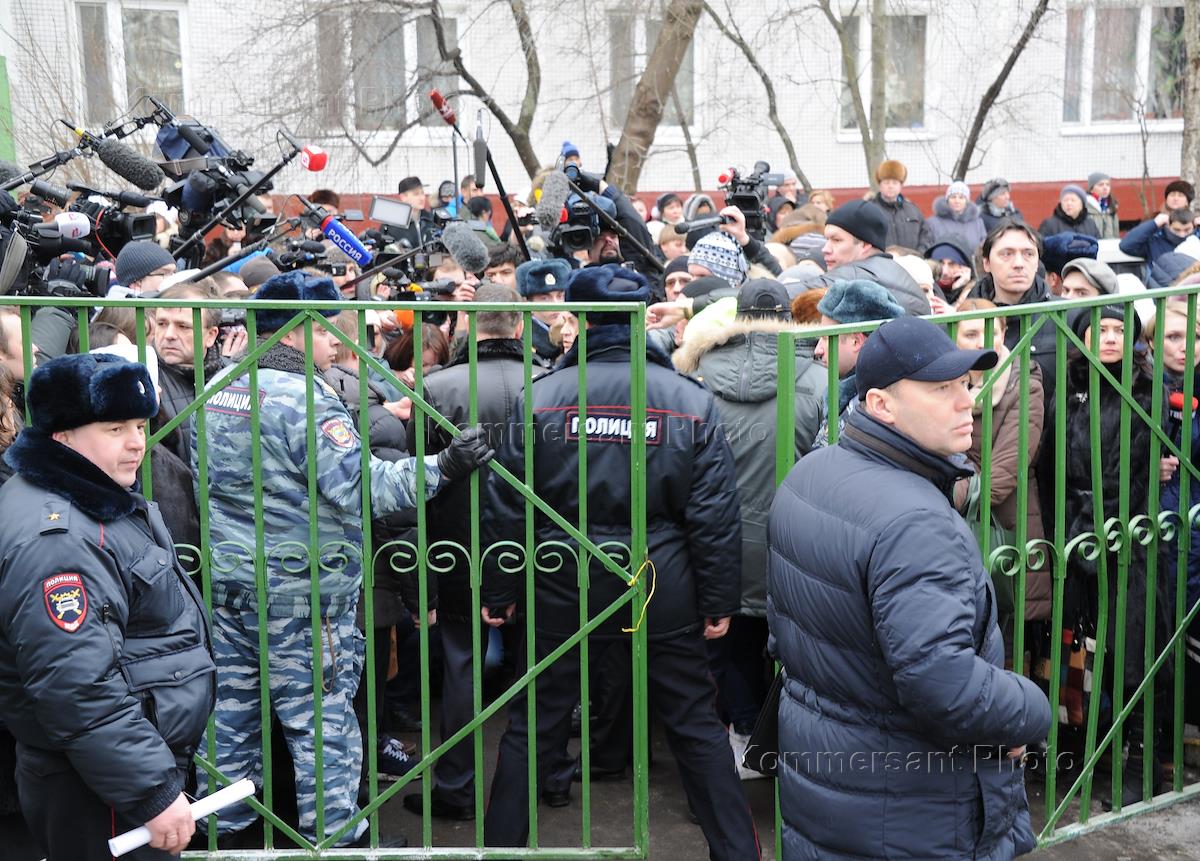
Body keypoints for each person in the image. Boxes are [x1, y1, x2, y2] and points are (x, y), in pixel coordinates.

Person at [195, 271, 493, 848]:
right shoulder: (303, 397)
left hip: (231, 583)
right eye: (327, 328)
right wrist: (445, 466)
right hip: (303, 595)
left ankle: (224, 837)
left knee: (230, 719)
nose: (337, 341)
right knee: (322, 726)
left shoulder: (221, 384)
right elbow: (363, 487)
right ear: (295, 331)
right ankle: (337, 839)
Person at [481, 264, 760, 859]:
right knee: (695, 724)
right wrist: (718, 600)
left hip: (564, 578)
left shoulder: (543, 396)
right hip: (658, 580)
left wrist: (500, 590)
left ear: (579, 322)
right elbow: (713, 513)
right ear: (642, 321)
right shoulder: (688, 400)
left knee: (535, 724)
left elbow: (505, 502)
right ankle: (737, 852)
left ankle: (502, 849)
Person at [767, 315, 1052, 860]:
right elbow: (944, 685)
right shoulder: (916, 521)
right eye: (941, 389)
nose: (966, 402)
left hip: (827, 785)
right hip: (911, 807)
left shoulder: (811, 474)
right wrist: (1029, 709)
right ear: (881, 404)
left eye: (965, 384)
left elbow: (786, 634)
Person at [0, 353, 216, 860]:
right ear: (63, 436)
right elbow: (77, 686)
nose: (137, 442)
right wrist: (150, 792)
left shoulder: (87, 499)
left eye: (140, 425)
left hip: (107, 770)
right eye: (115, 428)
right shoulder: (62, 538)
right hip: (100, 787)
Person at [672, 279, 827, 777]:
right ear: (789, 319)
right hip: (792, 543)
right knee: (790, 653)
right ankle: (781, 745)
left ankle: (735, 736)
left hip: (711, 544)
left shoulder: (693, 380)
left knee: (720, 648)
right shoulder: (820, 380)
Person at [402, 283, 537, 820]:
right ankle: (544, 778)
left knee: (462, 668)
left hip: (459, 546)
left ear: (465, 327)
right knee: (541, 665)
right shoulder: (547, 383)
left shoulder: (437, 387)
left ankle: (457, 788)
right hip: (539, 547)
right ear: (520, 327)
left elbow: (415, 478)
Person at [1038, 304, 1173, 809]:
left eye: (1120, 330)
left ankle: (1142, 764)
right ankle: (1085, 752)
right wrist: (1066, 533)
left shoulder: (1147, 391)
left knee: (1133, 653)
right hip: (1074, 538)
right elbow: (1051, 467)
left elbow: (1136, 473)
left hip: (1129, 539)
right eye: (1102, 329)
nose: (1112, 338)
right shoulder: (1068, 389)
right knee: (1080, 652)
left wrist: (1100, 528)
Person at [809, 279, 904, 448]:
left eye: (826, 338)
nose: (818, 350)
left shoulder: (865, 407)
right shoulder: (885, 388)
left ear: (856, 341)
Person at [799, 199, 930, 315]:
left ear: (865, 245)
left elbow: (792, 295)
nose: (825, 249)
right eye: (827, 239)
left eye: (836, 240)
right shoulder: (897, 273)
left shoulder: (857, 273)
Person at [866, 158, 932, 253]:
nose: (890, 186)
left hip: (911, 261)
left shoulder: (913, 210)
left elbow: (926, 236)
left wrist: (918, 255)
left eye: (895, 182)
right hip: (881, 261)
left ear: (901, 185)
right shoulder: (869, 210)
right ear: (880, 185)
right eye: (886, 182)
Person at [515, 257, 572, 366]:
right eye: (545, 298)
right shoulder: (521, 338)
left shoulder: (577, 332)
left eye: (560, 296)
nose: (556, 304)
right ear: (527, 303)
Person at [1119, 208, 1196, 267]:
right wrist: (1154, 223)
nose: (1182, 235)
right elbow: (1126, 246)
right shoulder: (1155, 242)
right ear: (1168, 226)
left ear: (1194, 227)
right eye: (1177, 230)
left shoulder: (1197, 241)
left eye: (1187, 230)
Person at [926, 180, 987, 251]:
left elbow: (983, 246)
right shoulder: (933, 222)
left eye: (961, 197)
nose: (957, 201)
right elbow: (928, 245)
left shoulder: (977, 223)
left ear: (966, 201)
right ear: (947, 200)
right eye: (953, 197)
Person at [1086, 172, 1120, 238]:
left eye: (1107, 185)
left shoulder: (1111, 207)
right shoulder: (1085, 208)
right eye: (1100, 185)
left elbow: (1116, 233)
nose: (1105, 187)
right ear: (1091, 189)